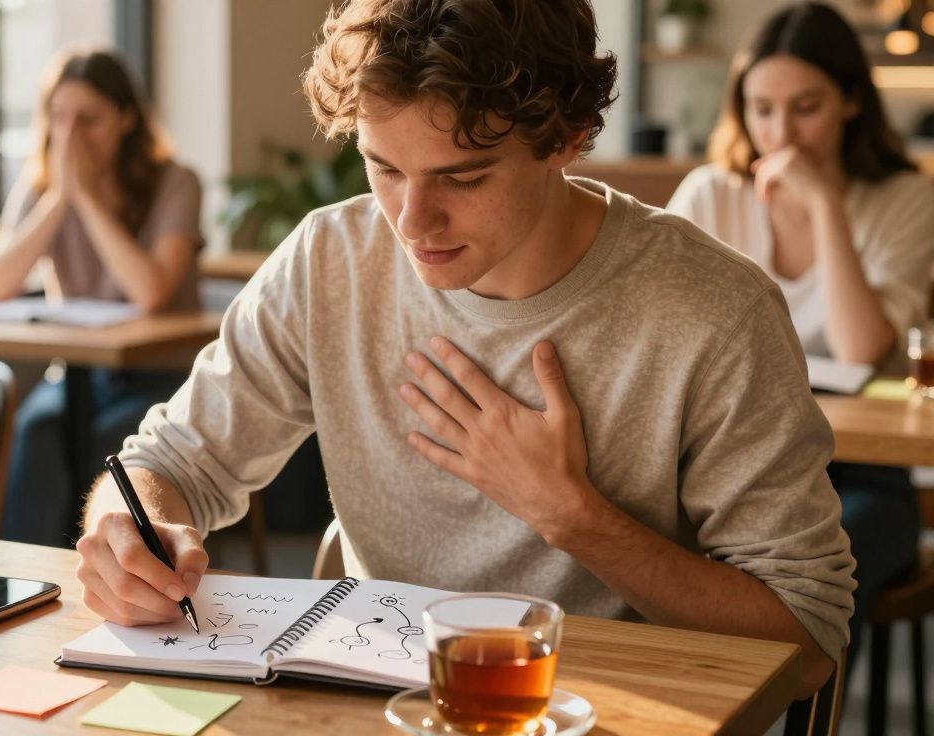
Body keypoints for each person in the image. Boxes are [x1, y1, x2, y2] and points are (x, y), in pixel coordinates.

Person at [73, 0, 855, 698]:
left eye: (464, 177)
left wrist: (573, 516)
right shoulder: (330, 261)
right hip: (374, 705)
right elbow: (172, 463)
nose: (412, 222)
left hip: (615, 710)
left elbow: (806, 637)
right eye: (383, 168)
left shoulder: (714, 309)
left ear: (569, 138)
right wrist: (127, 532)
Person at [666, 1, 934, 676]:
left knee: (820, 567)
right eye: (761, 109)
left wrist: (824, 206)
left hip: (862, 474)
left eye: (805, 107)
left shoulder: (905, 198)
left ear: (850, 101)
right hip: (727, 467)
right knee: (685, 557)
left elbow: (859, 350)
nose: (780, 132)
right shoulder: (709, 195)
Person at [0, 49, 203, 547]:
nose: (71, 135)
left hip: (162, 374)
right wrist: (58, 199)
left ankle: (124, 575)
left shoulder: (175, 182)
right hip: (84, 372)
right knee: (37, 430)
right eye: (59, 118)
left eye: (89, 120)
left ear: (125, 119)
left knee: (113, 440)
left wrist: (88, 200)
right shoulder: (42, 186)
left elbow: (151, 291)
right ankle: (25, 578)